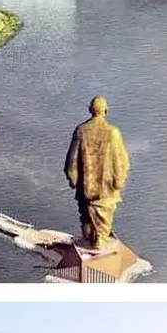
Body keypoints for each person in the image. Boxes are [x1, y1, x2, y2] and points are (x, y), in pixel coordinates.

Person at [64, 95, 130, 251]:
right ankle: (99, 240)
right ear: (106, 111)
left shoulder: (81, 130)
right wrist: (119, 181)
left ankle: (91, 239)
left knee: (87, 216)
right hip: (106, 188)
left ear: (90, 110)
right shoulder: (113, 132)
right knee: (103, 215)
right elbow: (122, 161)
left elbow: (71, 160)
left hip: (86, 186)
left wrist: (72, 177)